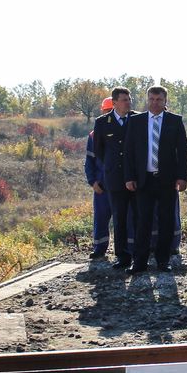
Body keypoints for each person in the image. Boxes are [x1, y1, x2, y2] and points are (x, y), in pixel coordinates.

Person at [123, 86, 187, 272]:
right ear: (147, 100)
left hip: (167, 180)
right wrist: (129, 177)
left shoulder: (175, 121)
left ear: (165, 101)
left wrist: (182, 178)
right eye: (151, 99)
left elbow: (182, 152)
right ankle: (140, 262)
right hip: (144, 180)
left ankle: (163, 261)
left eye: (159, 99)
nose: (155, 102)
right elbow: (128, 152)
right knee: (142, 221)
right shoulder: (136, 121)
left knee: (166, 221)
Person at [92, 87, 134, 270]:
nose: (127, 102)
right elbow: (99, 151)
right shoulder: (102, 122)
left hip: (135, 177)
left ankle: (140, 253)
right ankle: (122, 256)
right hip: (115, 178)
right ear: (115, 102)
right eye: (124, 99)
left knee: (139, 216)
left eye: (129, 99)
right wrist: (112, 166)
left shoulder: (137, 119)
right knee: (119, 217)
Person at [84, 96, 115, 260]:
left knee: (125, 219)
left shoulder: (125, 131)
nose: (109, 114)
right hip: (101, 186)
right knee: (101, 218)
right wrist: (93, 181)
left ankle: (125, 251)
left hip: (119, 185)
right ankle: (99, 248)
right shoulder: (93, 135)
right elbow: (89, 161)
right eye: (106, 111)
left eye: (111, 111)